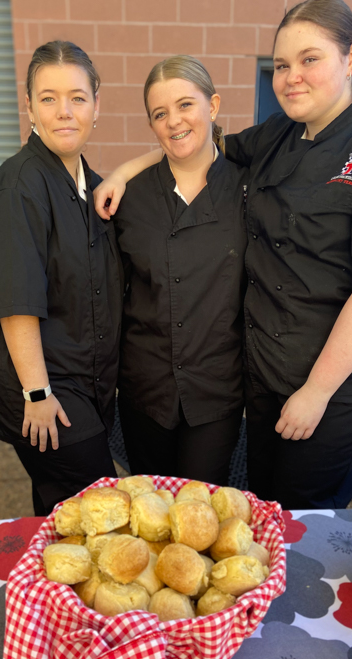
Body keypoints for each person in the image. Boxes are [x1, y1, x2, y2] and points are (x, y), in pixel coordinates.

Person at [94, 0, 352, 510]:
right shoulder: (280, 133)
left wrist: (317, 392)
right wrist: (125, 171)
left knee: (305, 509)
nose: (291, 77)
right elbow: (197, 143)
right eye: (282, 65)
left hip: (335, 381)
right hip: (266, 372)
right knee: (261, 502)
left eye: (309, 59)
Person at [0, 40, 122, 516]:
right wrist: (37, 393)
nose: (64, 111)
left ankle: (49, 566)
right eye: (48, 98)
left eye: (77, 97)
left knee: (61, 507)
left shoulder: (91, 186)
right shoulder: (17, 188)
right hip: (41, 385)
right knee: (104, 505)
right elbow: (16, 302)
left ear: (96, 105)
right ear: (30, 107)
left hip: (84, 378)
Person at [112, 56, 248, 485]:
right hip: (145, 387)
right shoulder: (128, 197)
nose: (174, 121)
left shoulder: (249, 190)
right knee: (149, 504)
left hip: (216, 388)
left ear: (213, 105)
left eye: (185, 104)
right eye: (159, 113)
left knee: (203, 507)